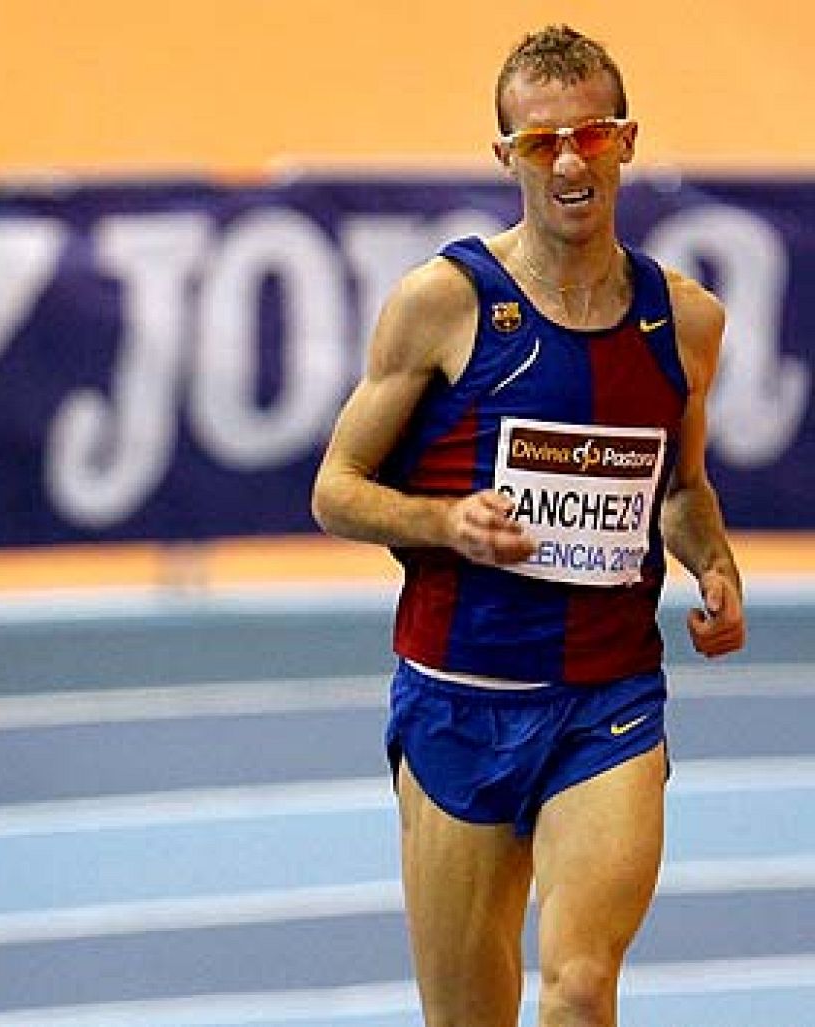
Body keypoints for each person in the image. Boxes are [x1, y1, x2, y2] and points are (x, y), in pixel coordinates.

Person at [310, 24, 747, 1027]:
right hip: (458, 700)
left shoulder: (684, 323)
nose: (567, 161)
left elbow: (679, 489)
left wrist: (713, 566)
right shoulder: (442, 303)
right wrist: (443, 522)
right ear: (503, 156)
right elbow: (336, 489)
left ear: (625, 142)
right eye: (540, 142)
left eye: (589, 137)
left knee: (582, 987)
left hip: (609, 702)